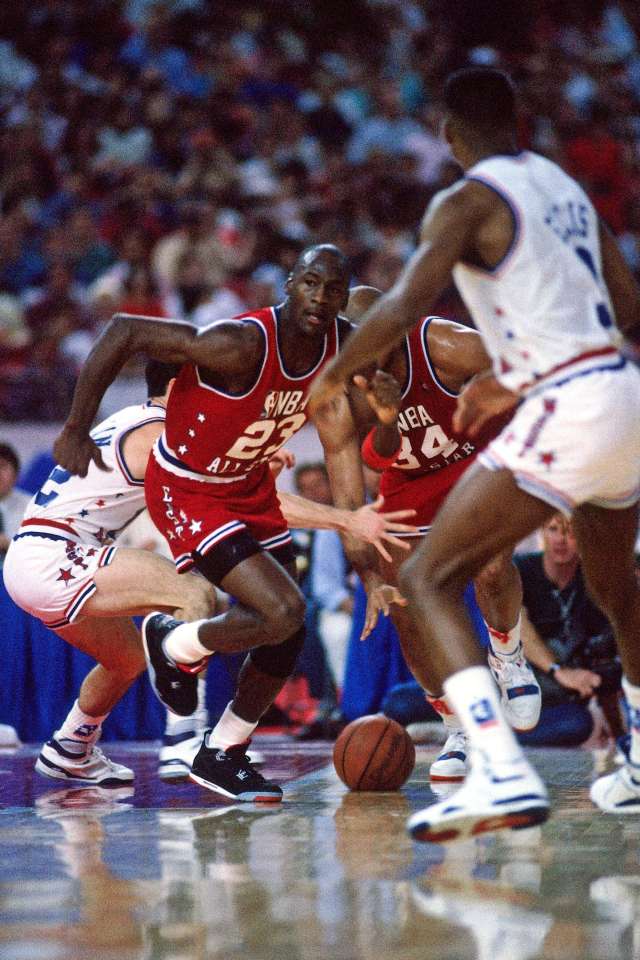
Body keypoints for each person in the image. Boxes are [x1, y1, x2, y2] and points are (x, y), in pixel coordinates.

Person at [309, 66, 640, 839]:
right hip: (622, 391)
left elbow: (405, 299)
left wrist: (338, 371)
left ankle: (497, 768)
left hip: (570, 404)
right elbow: (627, 307)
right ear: (516, 122)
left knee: (427, 574)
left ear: (448, 134)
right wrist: (514, 373)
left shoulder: (464, 199)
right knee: (616, 586)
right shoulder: (562, 187)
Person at [52, 244, 410, 802]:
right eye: (310, 282)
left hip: (248, 487)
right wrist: (76, 428)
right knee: (283, 609)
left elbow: (359, 449)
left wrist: (364, 556)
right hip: (188, 487)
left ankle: (222, 752)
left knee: (289, 625)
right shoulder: (240, 343)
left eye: (332, 290)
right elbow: (125, 330)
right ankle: (174, 643)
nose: (320, 297)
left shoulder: (344, 348)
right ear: (288, 284)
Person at [4, 358, 414, 787]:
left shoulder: (135, 423)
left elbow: (233, 494)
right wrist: (344, 519)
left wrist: (255, 471)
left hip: (35, 556)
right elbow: (243, 504)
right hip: (56, 552)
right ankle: (183, 739)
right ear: (183, 386)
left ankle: (71, 746)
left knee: (125, 659)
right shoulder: (160, 434)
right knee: (192, 594)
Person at [345, 285, 540, 781]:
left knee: (490, 564)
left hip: (477, 460)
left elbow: (525, 361)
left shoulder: (447, 345)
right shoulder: (346, 376)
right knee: (407, 609)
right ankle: (457, 727)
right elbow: (371, 463)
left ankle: (508, 655)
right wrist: (386, 417)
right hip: (408, 481)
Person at [516, 513, 623, 747]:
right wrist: (559, 670)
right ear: (542, 532)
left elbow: (604, 668)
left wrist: (621, 736)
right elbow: (518, 628)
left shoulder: (592, 581)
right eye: (553, 529)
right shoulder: (522, 570)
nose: (561, 540)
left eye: (571, 532)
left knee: (578, 723)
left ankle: (486, 737)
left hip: (557, 701)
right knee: (418, 702)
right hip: (512, 682)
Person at [0, 442, 30, 566]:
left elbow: (39, 552)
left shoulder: (32, 507)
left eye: (2, 466)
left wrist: (8, 545)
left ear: (16, 474)